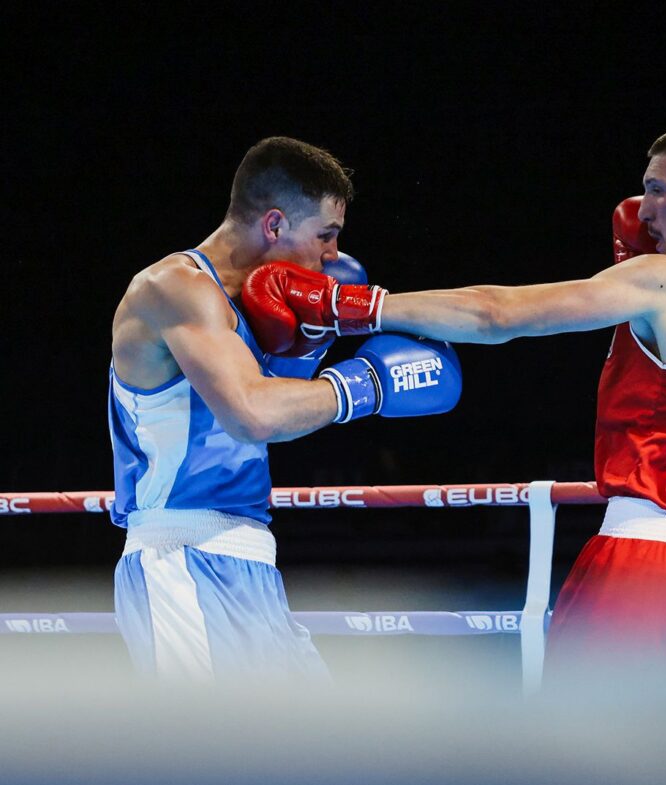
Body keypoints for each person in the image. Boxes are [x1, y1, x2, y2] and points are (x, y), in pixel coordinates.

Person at [245, 123, 666, 685]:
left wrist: (350, 306)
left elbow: (497, 315)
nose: (644, 209)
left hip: (644, 566)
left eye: (658, 189)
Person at [108, 136, 461, 682]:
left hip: (252, 556)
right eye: (326, 235)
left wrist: (309, 348)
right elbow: (252, 415)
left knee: (314, 752)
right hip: (180, 555)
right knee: (210, 759)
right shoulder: (174, 288)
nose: (332, 256)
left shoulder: (260, 307)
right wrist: (366, 384)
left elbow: (266, 415)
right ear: (274, 225)